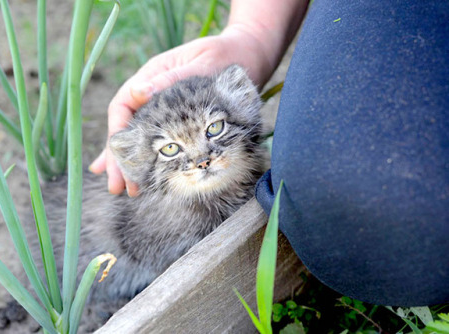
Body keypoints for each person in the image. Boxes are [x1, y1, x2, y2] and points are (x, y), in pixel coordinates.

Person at [90, 0, 449, 306]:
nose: (201, 159)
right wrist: (251, 34)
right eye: (171, 150)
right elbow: (140, 244)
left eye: (214, 128)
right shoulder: (160, 217)